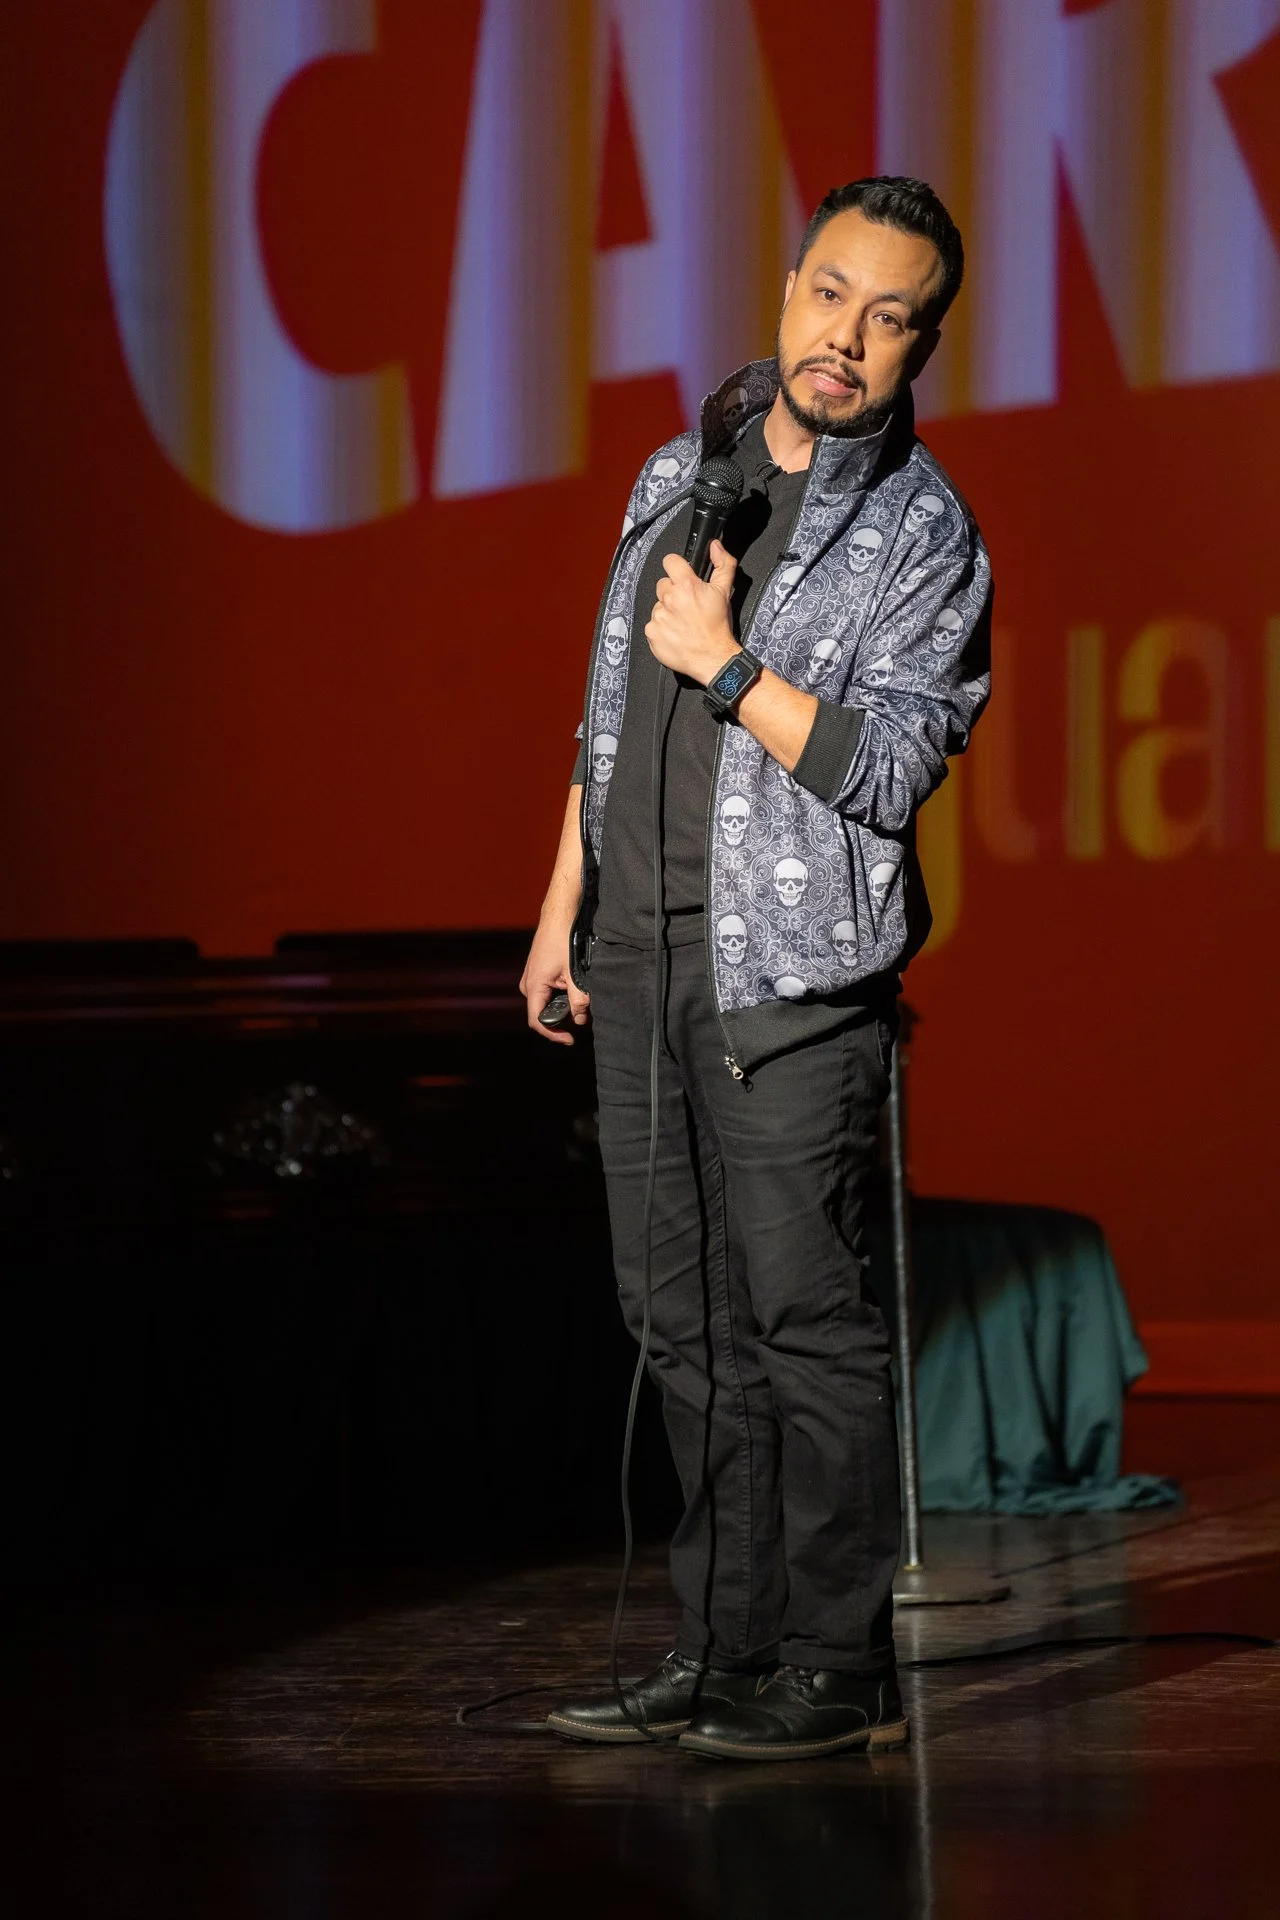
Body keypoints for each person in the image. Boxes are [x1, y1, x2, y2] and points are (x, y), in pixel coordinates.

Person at [520, 177, 991, 1762]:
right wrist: (559, 911)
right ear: (788, 287)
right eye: (831, 294)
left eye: (890, 316)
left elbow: (887, 769)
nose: (847, 337)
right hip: (640, 964)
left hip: (789, 982)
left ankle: (836, 1663)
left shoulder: (923, 533)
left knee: (806, 1325)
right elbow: (603, 711)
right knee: (678, 1327)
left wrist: (730, 667)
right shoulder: (679, 472)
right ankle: (720, 1650)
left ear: (923, 341)